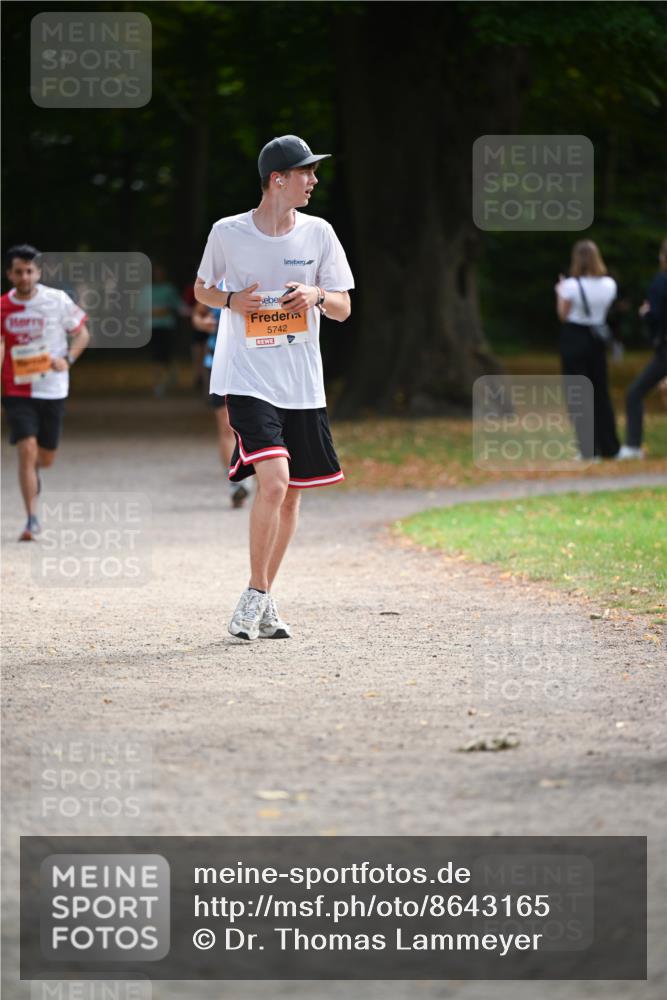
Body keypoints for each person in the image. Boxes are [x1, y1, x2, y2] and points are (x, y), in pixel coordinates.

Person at [194, 134, 354, 640]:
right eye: (305, 172)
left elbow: (344, 307)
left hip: (301, 382)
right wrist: (229, 301)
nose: (313, 180)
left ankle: (260, 597)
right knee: (276, 480)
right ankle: (257, 596)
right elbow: (202, 288)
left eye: (313, 172)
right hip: (247, 375)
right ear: (277, 179)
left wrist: (316, 293)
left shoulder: (320, 233)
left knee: (291, 496)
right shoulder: (228, 232)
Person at [1, 244, 90, 540]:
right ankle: (32, 519)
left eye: (29, 271)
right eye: (18, 272)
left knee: (45, 458)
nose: (25, 277)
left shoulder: (57, 300)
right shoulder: (2, 307)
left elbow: (82, 333)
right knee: (26, 449)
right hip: (16, 389)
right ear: (9, 274)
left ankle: (34, 471)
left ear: (38, 272)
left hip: (52, 389)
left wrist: (68, 359)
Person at [555, 239, 620, 460]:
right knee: (600, 392)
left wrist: (559, 292)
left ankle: (588, 449)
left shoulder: (570, 286)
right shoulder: (609, 284)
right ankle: (610, 446)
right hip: (597, 338)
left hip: (575, 337)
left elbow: (563, 315)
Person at [191, 297, 249, 508]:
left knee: (258, 422)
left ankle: (266, 481)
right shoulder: (218, 280)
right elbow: (198, 314)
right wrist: (201, 323)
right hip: (217, 362)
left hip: (255, 361)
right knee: (226, 424)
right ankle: (236, 482)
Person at [617, 238, 667, 459]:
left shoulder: (660, 282)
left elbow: (655, 316)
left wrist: (645, 313)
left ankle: (633, 445)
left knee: (635, 393)